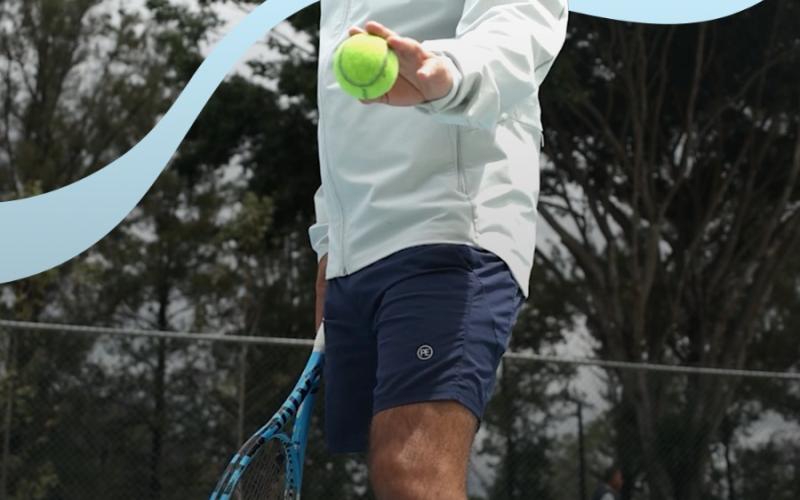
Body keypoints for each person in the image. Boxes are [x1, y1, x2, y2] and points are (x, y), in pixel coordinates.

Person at [310, 1, 568, 498]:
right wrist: (330, 243)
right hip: (356, 251)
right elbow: (339, 123)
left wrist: (450, 71)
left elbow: (519, 20)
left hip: (450, 224)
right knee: (390, 472)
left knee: (412, 469)